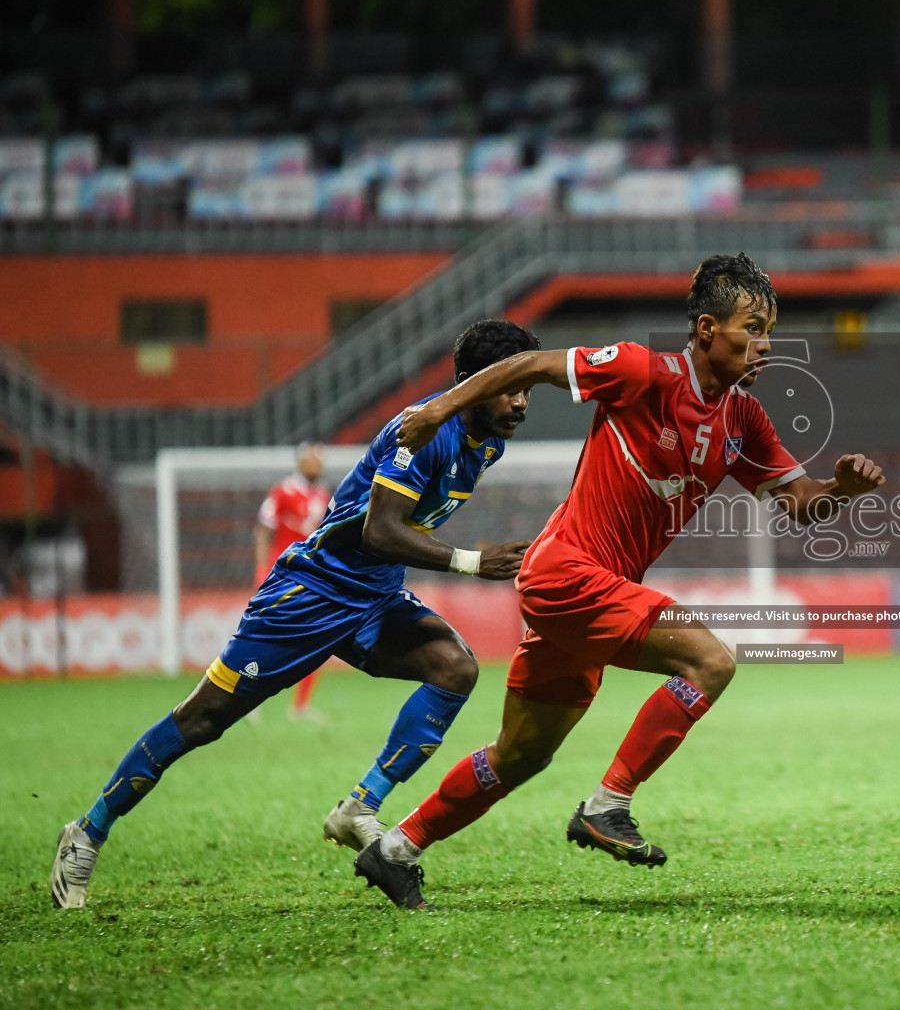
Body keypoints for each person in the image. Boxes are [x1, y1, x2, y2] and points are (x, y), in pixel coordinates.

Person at [353, 253, 886, 909]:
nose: (765, 345)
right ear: (706, 330)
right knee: (710, 662)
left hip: (587, 593)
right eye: (752, 328)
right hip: (567, 571)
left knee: (520, 755)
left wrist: (841, 490)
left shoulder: (743, 421)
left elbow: (801, 502)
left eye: (769, 331)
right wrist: (441, 408)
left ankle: (395, 848)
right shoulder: (643, 372)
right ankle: (609, 804)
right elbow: (531, 365)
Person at [49, 320, 541, 909]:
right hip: (311, 595)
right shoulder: (424, 430)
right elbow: (379, 531)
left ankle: (358, 807)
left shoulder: (488, 439)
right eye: (511, 385)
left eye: (528, 387)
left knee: (454, 669)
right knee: (203, 720)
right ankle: (87, 831)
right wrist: (469, 560)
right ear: (472, 382)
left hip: (375, 596)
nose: (522, 400)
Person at [254, 442, 332, 720]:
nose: (316, 465)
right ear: (300, 462)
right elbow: (264, 530)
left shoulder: (323, 494)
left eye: (319, 461)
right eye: (311, 460)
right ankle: (248, 699)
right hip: (282, 573)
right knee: (268, 637)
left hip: (313, 577)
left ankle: (300, 706)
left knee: (320, 638)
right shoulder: (282, 491)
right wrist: (262, 569)